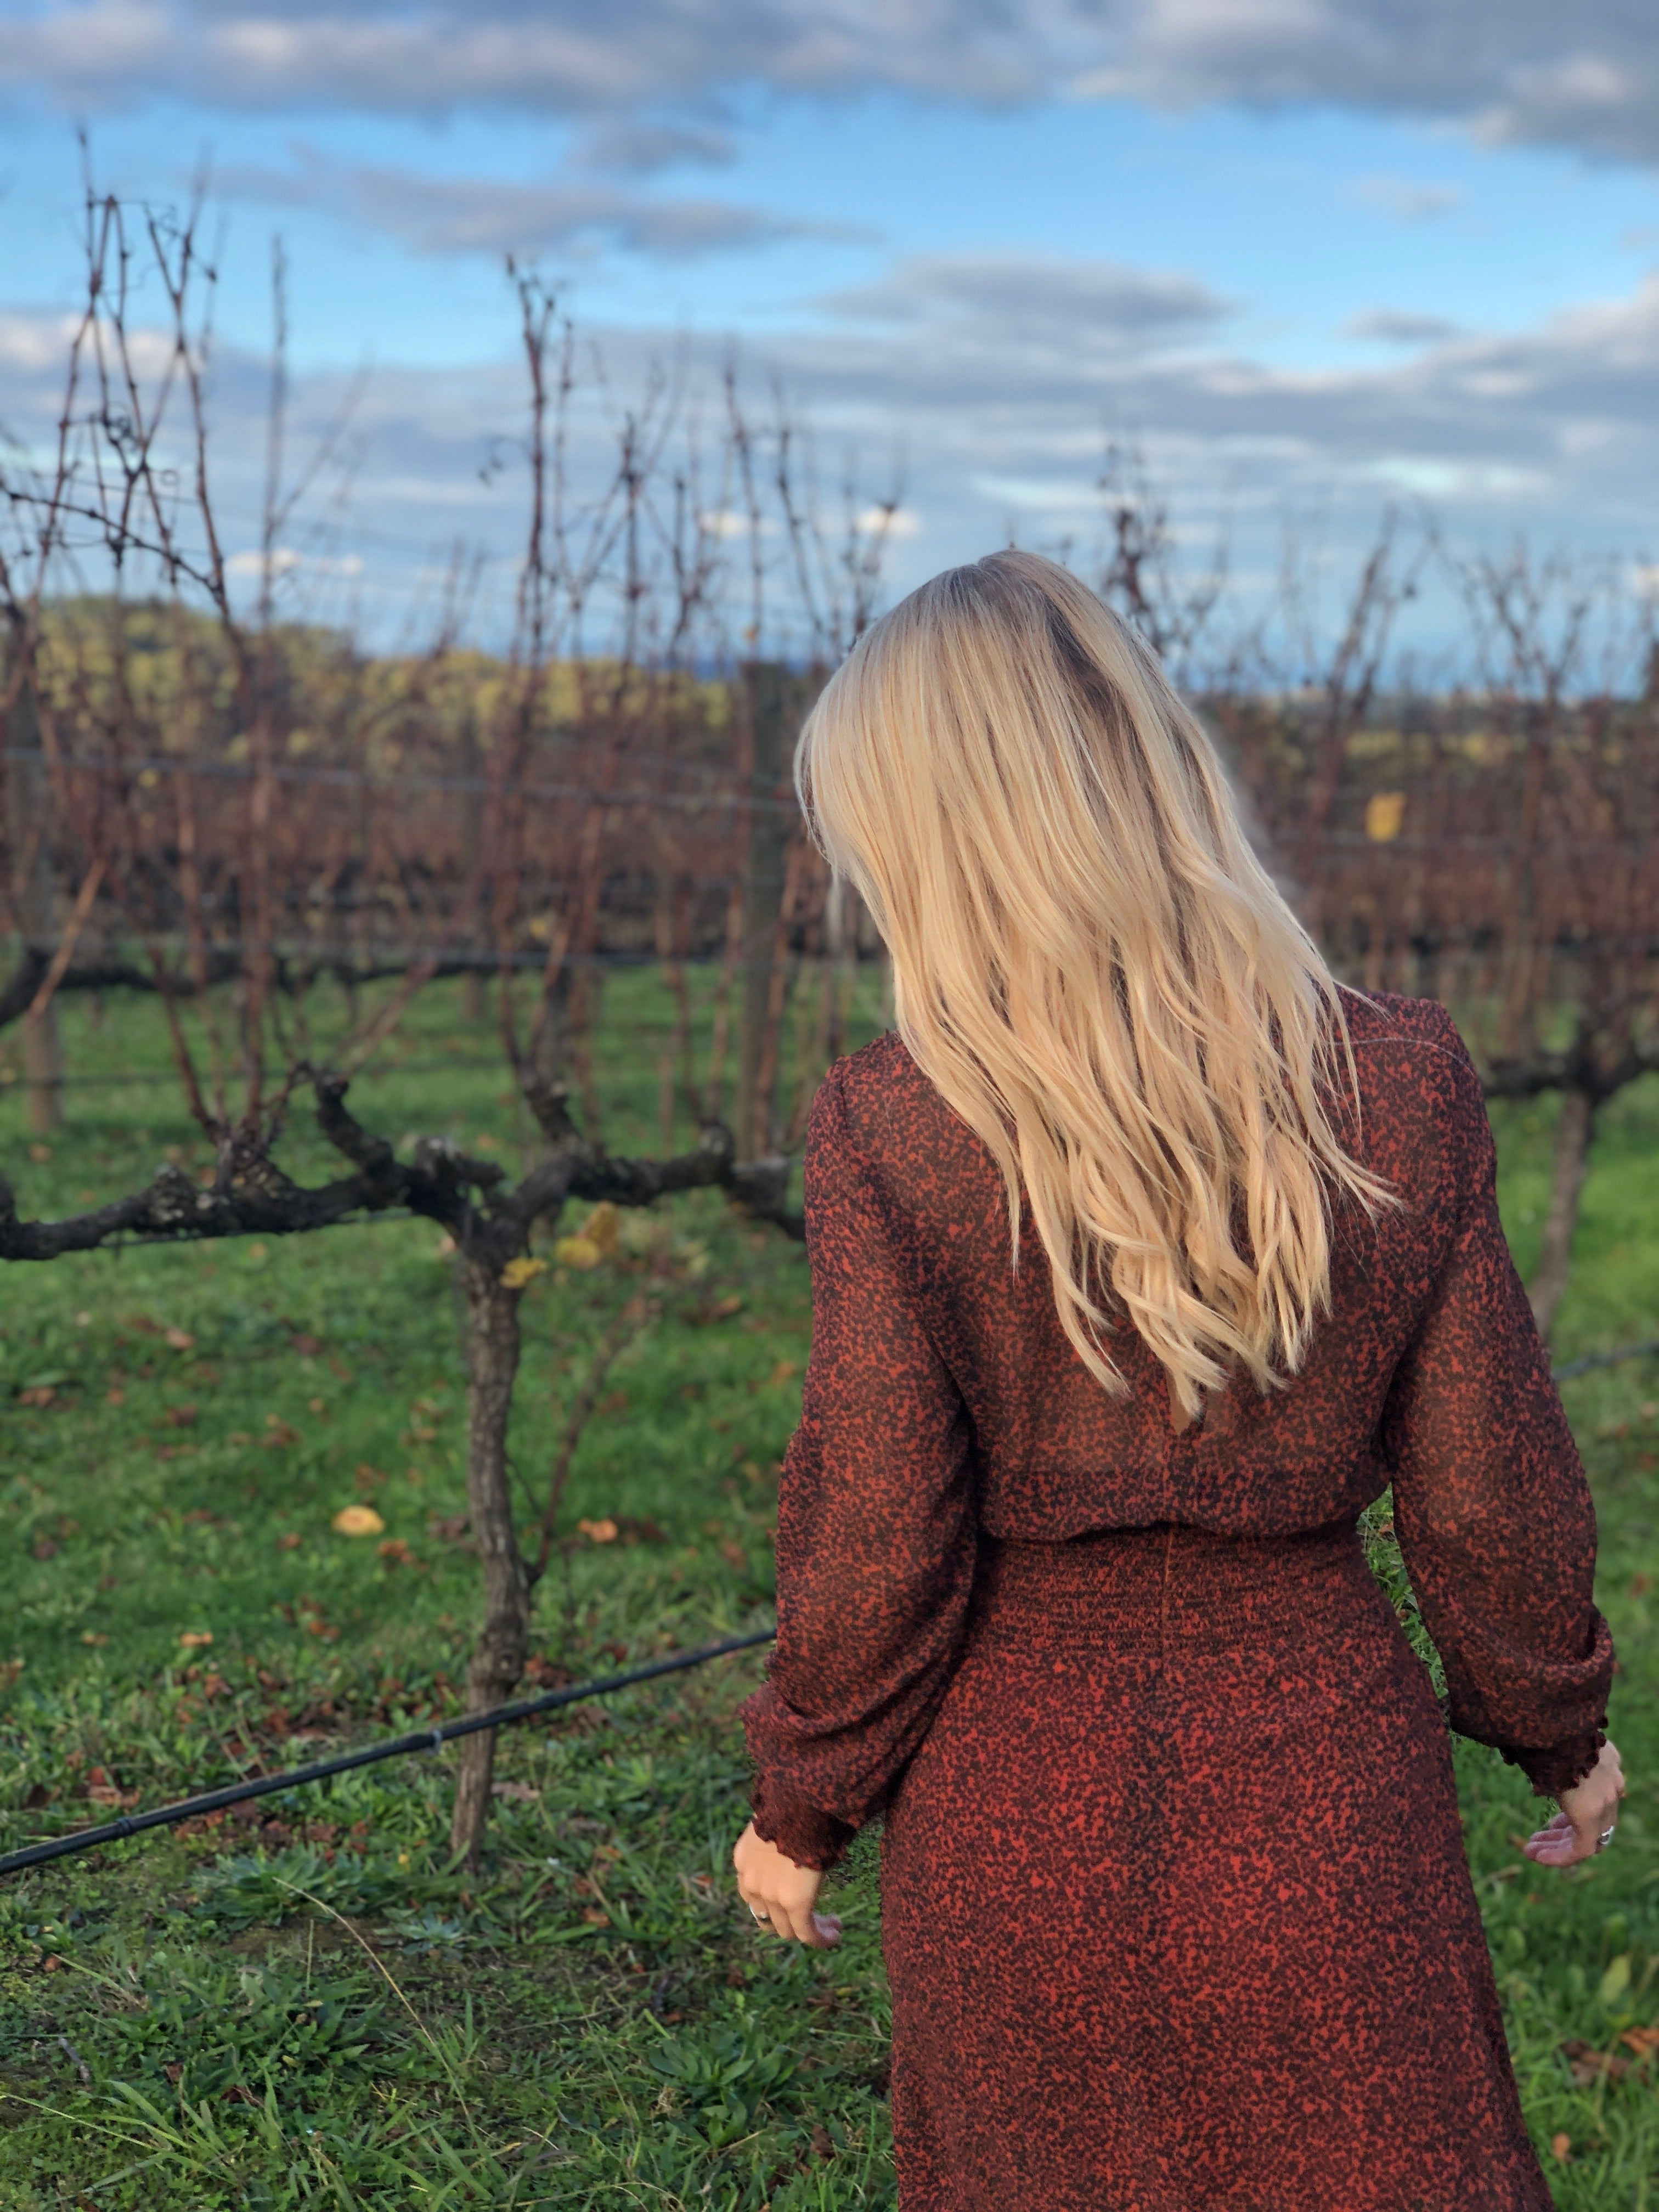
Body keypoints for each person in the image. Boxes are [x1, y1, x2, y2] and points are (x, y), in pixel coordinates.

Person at [731, 550, 1623, 2210]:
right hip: (1323, 1779)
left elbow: (877, 1512)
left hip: (1008, 1801)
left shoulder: (893, 1121)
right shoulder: (1399, 1081)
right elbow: (1483, 1476)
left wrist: (808, 1791)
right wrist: (1549, 1717)